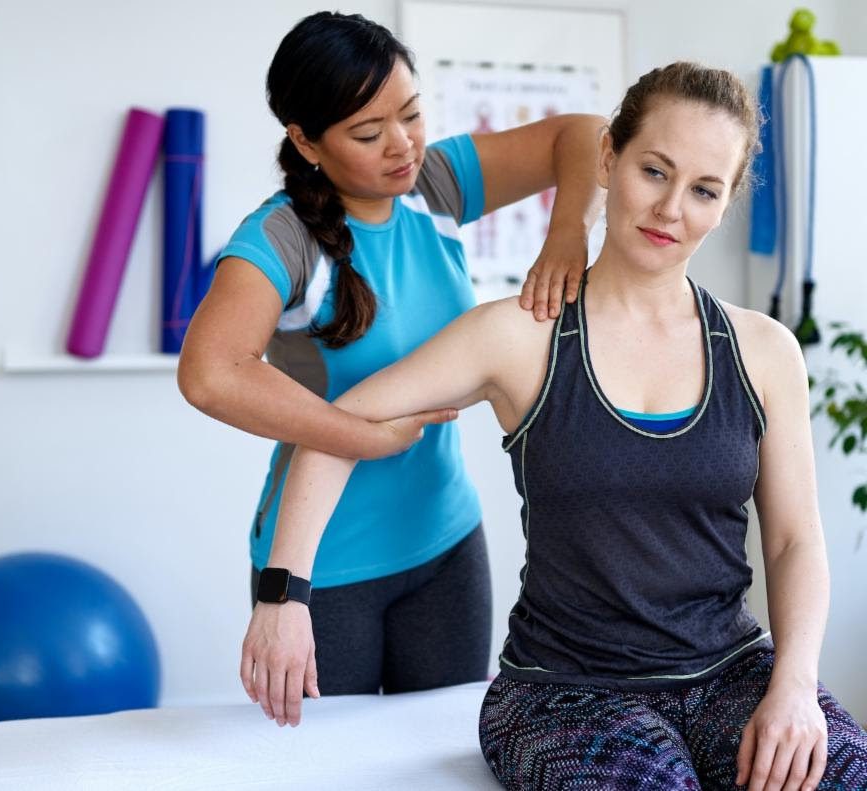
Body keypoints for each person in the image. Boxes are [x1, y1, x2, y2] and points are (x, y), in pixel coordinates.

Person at [249, 60, 867, 790]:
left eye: (703, 189)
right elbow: (340, 422)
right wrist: (282, 595)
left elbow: (795, 539)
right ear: (609, 157)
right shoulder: (521, 335)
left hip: (727, 671)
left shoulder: (764, 351)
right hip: (562, 690)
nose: (671, 208)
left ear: (726, 201)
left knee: (842, 776)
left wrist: (794, 684)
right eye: (654, 171)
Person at [177, 10, 605, 713]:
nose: (402, 146)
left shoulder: (435, 184)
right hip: (326, 562)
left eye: (410, 114)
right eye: (369, 133)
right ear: (306, 140)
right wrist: (363, 437)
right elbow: (209, 373)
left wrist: (567, 233)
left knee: (442, 755)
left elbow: (586, 134)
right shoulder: (281, 237)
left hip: (445, 542)